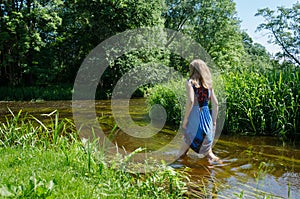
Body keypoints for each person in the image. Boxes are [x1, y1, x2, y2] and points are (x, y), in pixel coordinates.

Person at [177, 59, 219, 162]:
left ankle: (177, 171)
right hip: (206, 117)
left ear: (192, 70)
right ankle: (222, 167)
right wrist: (213, 121)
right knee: (209, 154)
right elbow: (216, 104)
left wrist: (186, 119)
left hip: (194, 117)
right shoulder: (209, 84)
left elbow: (191, 101)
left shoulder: (190, 82)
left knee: (181, 153)